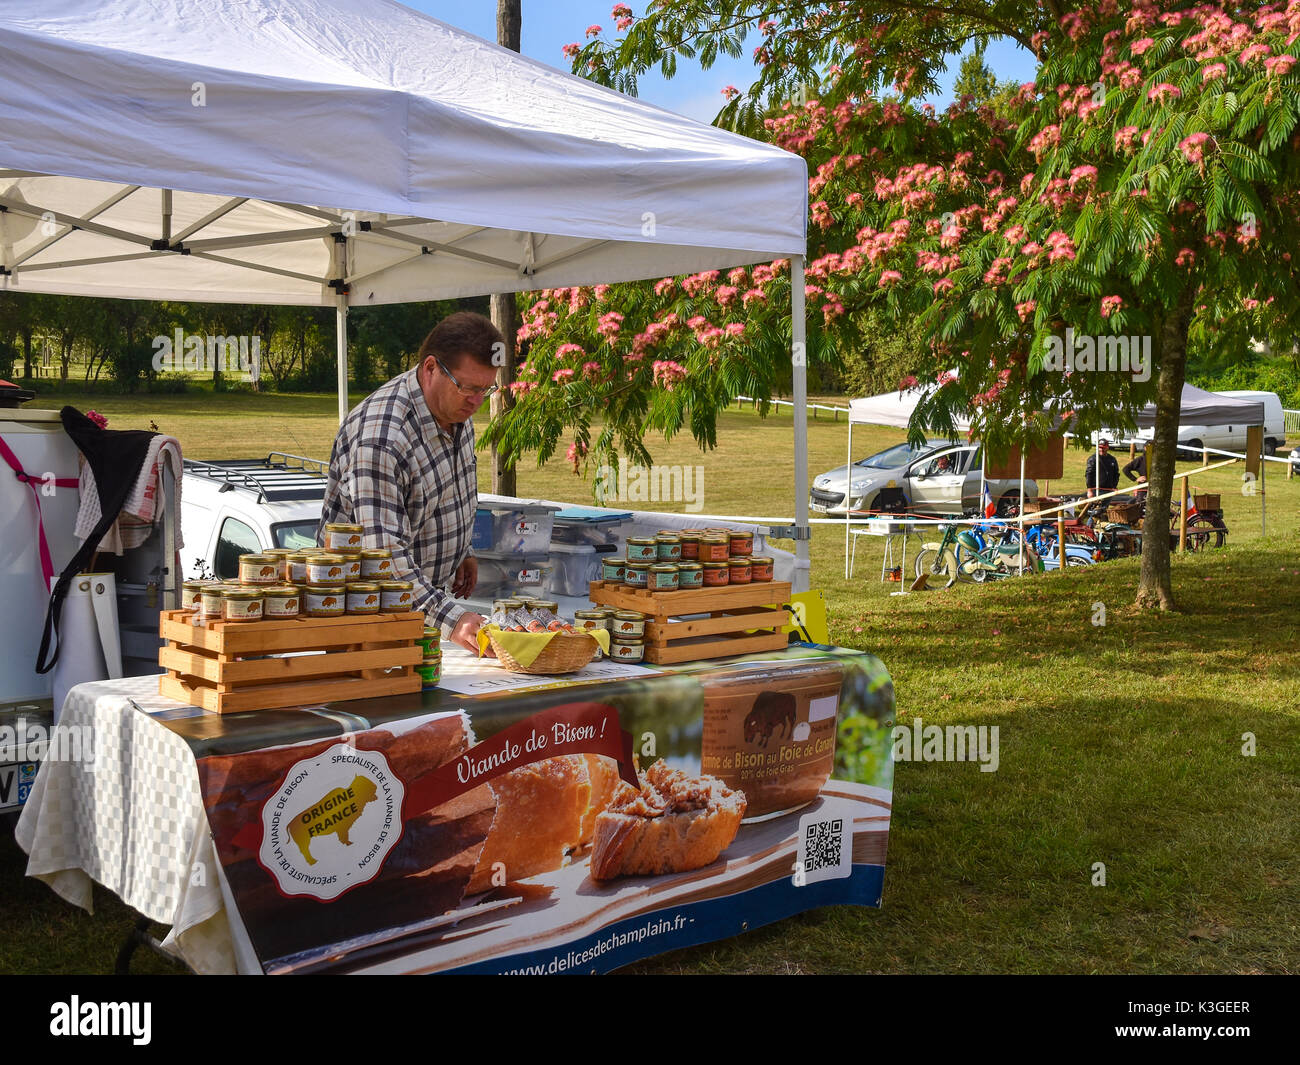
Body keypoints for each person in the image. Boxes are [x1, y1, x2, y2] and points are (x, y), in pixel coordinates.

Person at [319, 311, 503, 652]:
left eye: (486, 388)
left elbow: (444, 488)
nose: (477, 401)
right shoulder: (382, 438)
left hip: (416, 611)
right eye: (468, 387)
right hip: (367, 626)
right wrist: (455, 620)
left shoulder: (453, 409)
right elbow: (383, 557)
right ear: (431, 368)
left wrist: (462, 549)